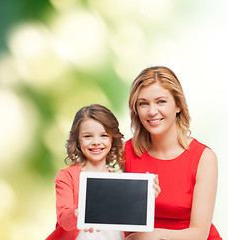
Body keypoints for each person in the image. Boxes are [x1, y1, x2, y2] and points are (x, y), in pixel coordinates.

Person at [124, 66, 222, 240]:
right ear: (136, 110)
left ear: (178, 105)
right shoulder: (126, 152)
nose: (152, 111)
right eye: (143, 103)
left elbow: (199, 233)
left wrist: (151, 236)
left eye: (161, 101)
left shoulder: (204, 158)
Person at [46, 104, 160, 240]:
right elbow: (64, 220)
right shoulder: (67, 176)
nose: (96, 142)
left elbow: (131, 220)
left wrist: (144, 197)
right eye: (88, 136)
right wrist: (79, 213)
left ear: (112, 139)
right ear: (77, 140)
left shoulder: (119, 182)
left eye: (103, 135)